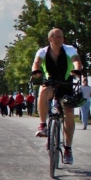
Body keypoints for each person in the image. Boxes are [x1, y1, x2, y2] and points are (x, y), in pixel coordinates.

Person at [31, 28, 82, 165]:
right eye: (57, 37)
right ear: (50, 39)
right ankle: (42, 125)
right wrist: (35, 71)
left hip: (66, 84)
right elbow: (36, 62)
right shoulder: (43, 51)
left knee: (69, 113)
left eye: (61, 36)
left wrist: (77, 69)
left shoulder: (69, 49)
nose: (60, 39)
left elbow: (76, 60)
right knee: (42, 91)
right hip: (51, 82)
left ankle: (68, 149)